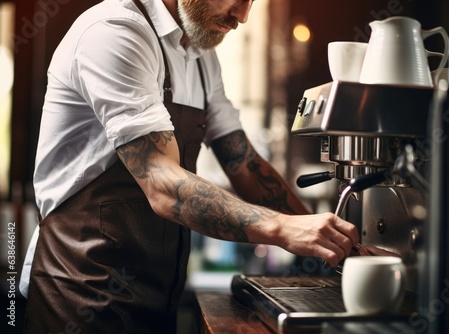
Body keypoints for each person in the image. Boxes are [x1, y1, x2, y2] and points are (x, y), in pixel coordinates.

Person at [20, 0, 362, 332]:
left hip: (157, 295)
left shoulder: (201, 58)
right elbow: (162, 183)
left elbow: (243, 162)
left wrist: (333, 243)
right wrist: (283, 228)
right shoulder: (115, 30)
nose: (243, 16)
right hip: (79, 294)